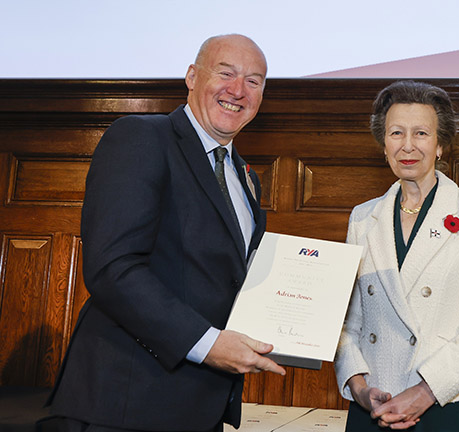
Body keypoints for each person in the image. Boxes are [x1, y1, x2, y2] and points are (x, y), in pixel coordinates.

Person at [45, 34, 286, 432]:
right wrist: (207, 343)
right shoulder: (141, 137)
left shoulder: (247, 178)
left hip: (199, 407)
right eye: (225, 73)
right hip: (127, 402)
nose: (238, 90)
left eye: (254, 81)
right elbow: (112, 267)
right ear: (192, 76)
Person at [334, 80, 459, 431]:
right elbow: (346, 324)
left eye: (421, 134)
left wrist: (426, 391)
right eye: (396, 133)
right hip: (375, 406)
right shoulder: (362, 218)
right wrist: (359, 388)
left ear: (441, 144)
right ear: (383, 145)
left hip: (447, 401)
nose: (408, 146)